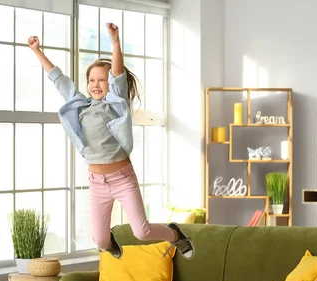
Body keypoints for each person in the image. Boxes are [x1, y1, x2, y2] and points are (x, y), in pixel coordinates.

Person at [28, 23, 194, 260]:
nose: (95, 85)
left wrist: (115, 41)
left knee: (142, 231)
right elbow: (59, 79)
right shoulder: (80, 105)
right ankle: (110, 241)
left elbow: (118, 74)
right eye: (91, 80)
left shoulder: (116, 105)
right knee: (101, 240)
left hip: (122, 178)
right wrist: (37, 51)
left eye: (101, 80)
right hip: (96, 182)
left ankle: (175, 235)